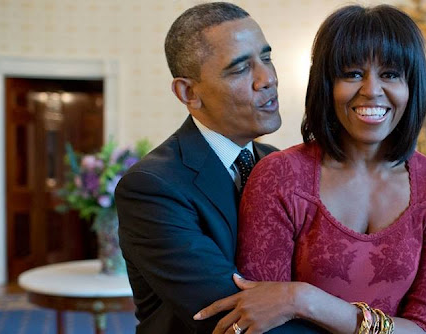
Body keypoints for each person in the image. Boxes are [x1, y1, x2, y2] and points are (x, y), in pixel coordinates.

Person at [197, 4, 426, 334]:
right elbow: (264, 316)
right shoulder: (279, 177)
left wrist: (302, 299)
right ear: (326, 85)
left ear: (412, 86)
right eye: (352, 73)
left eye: (390, 74)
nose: (371, 90)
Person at [115, 2, 322, 333]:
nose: (267, 78)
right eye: (240, 69)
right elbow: (235, 316)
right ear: (189, 92)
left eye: (266, 58)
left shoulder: (280, 163)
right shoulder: (151, 186)